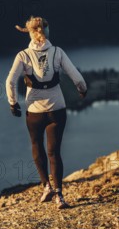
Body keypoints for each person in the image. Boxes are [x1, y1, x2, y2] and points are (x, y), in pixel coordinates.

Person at [5, 16, 87, 209]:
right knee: (54, 152)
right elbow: (75, 75)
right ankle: (59, 195)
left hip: (34, 111)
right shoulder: (57, 52)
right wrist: (82, 89)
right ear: (47, 31)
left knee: (37, 146)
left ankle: (46, 186)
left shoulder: (23, 56)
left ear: (30, 33)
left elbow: (10, 81)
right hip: (57, 109)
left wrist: (13, 103)